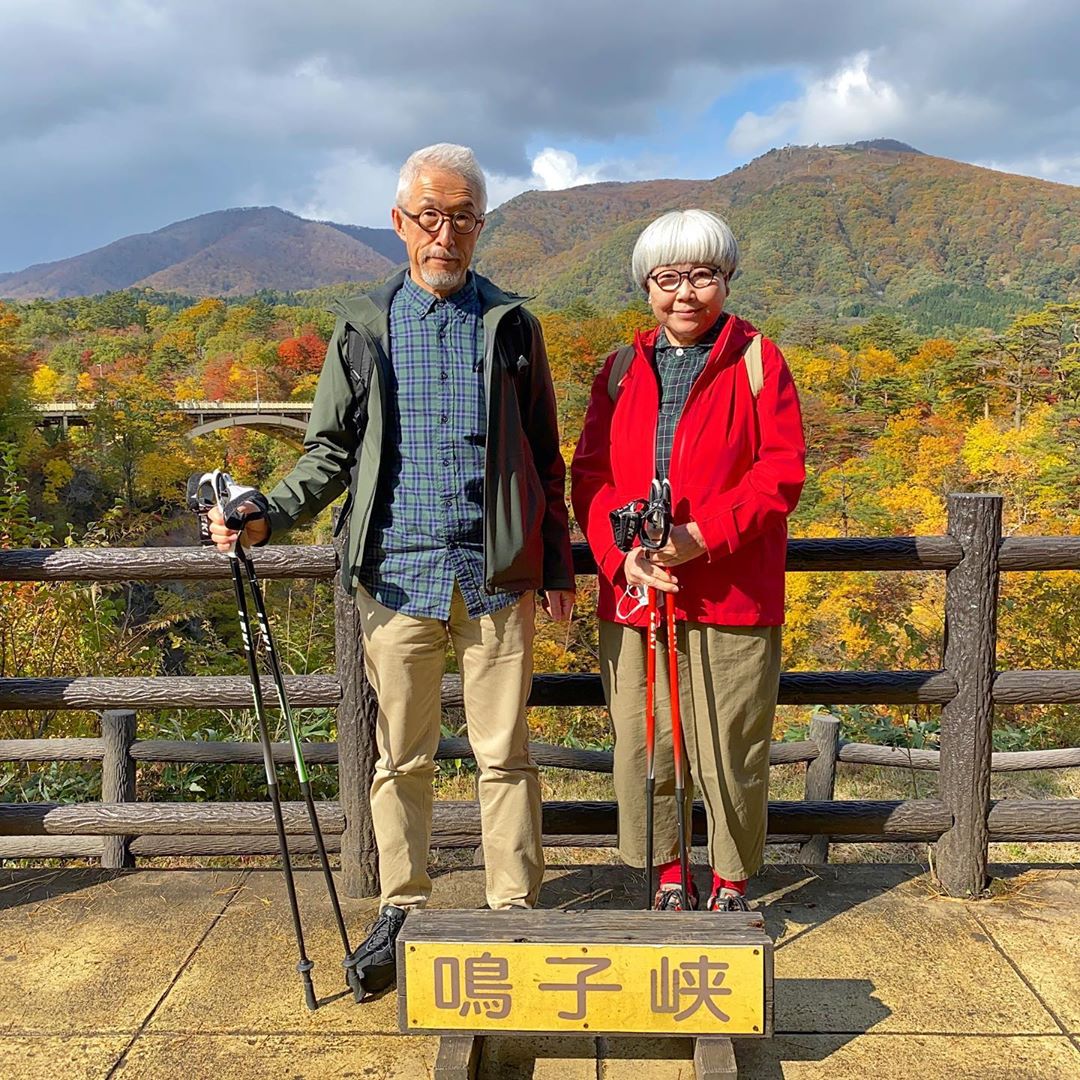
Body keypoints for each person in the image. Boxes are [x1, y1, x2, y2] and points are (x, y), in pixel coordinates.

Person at [210, 143, 575, 991]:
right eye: (430, 216)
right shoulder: (364, 329)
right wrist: (268, 511)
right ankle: (404, 910)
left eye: (463, 217)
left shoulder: (513, 326)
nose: (445, 233)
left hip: (497, 573)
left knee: (505, 753)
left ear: (481, 226)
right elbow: (327, 452)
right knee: (399, 756)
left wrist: (557, 564)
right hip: (396, 572)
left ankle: (513, 910)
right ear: (400, 223)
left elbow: (545, 457)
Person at [570, 209, 805, 912]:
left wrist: (703, 535)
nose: (685, 293)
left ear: (725, 280)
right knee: (649, 744)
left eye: (702, 275)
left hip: (731, 588)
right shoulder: (619, 370)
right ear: (647, 287)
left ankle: (731, 880)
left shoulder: (758, 361)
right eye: (668, 278)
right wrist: (620, 556)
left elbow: (781, 473)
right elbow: (589, 475)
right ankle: (667, 872)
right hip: (639, 593)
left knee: (729, 747)